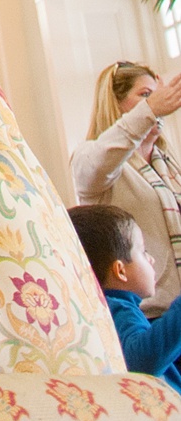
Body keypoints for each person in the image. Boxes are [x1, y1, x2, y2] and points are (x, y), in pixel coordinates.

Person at [71, 60, 181, 309]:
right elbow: (101, 160)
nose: (158, 103)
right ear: (115, 104)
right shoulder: (93, 160)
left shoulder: (168, 164)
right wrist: (149, 109)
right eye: (145, 95)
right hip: (148, 313)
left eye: (158, 95)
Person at [68, 203, 181, 392]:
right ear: (120, 270)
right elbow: (142, 362)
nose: (151, 259)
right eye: (143, 252)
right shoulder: (117, 309)